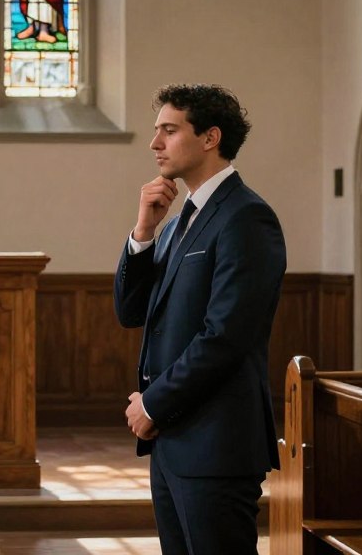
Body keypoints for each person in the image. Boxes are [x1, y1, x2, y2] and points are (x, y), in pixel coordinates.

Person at [114, 84, 286, 555]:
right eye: (156, 132)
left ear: (210, 138)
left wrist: (152, 404)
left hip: (216, 443)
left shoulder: (246, 217)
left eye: (169, 131)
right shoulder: (175, 224)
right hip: (173, 440)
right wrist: (144, 232)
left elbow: (226, 336)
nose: (155, 144)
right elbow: (130, 312)